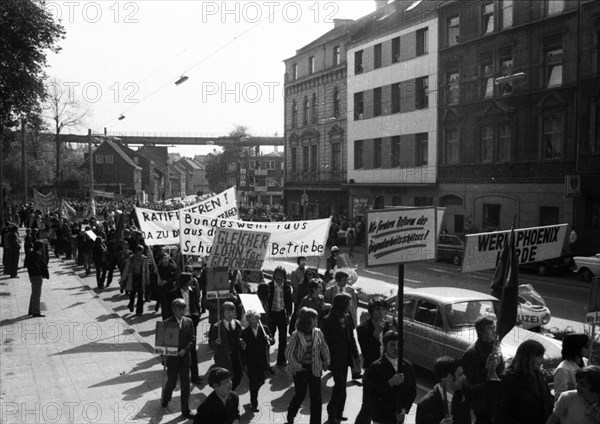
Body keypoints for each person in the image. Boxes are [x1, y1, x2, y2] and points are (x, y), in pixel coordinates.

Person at [416, 356, 500, 424]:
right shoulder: (426, 404)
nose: (465, 377)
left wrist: (490, 369)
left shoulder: (464, 391)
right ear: (449, 378)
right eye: (460, 375)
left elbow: (485, 389)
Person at [285, 307, 330, 424]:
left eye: (316, 319)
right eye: (313, 319)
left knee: (316, 398)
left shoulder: (318, 332)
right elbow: (289, 353)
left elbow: (324, 347)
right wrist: (296, 366)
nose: (316, 321)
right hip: (301, 369)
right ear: (306, 321)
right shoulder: (296, 334)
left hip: (315, 368)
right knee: (300, 395)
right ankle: (291, 415)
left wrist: (326, 361)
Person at [355, 297, 395, 424]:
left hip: (387, 370)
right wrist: (377, 332)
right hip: (372, 371)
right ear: (371, 311)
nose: (382, 313)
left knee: (384, 407)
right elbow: (367, 353)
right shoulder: (363, 328)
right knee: (368, 406)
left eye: (384, 309)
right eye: (378, 309)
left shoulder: (388, 326)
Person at [363, 330, 417, 424]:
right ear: (385, 346)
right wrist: (390, 383)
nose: (396, 348)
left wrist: (404, 409)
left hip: (398, 418)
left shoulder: (408, 366)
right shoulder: (375, 367)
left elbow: (412, 391)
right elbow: (370, 394)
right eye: (392, 345)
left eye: (398, 345)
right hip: (381, 418)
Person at [494, 339, 553, 424]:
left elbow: (547, 403)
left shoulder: (539, 376)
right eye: (540, 357)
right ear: (529, 358)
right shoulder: (508, 379)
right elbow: (500, 413)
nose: (542, 360)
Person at [322, 293, 359, 424]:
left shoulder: (348, 317)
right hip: (335, 359)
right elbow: (324, 342)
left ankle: (339, 413)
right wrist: (325, 360)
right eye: (349, 303)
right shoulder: (327, 320)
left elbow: (351, 338)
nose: (351, 305)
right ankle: (331, 411)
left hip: (346, 357)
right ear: (342, 304)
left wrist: (355, 354)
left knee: (342, 387)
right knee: (341, 386)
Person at [461, 314, 504, 424]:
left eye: (495, 327)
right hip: (482, 401)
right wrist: (488, 369)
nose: (494, 331)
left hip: (495, 398)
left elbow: (500, 371)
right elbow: (471, 380)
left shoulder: (495, 346)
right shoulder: (472, 353)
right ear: (481, 332)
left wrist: (499, 364)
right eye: (490, 328)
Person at [160, 299, 196, 419]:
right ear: (173, 310)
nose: (182, 312)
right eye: (179, 309)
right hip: (172, 360)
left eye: (183, 309)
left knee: (186, 384)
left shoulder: (189, 321)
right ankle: (166, 396)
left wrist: (186, 350)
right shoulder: (167, 323)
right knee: (171, 382)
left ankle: (185, 410)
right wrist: (163, 356)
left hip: (185, 358)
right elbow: (162, 343)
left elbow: (192, 338)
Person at [166, 272, 202, 384]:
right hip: (178, 322)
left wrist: (197, 315)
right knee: (179, 348)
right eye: (190, 278)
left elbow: (196, 304)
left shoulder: (193, 290)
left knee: (192, 347)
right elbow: (167, 309)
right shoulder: (173, 293)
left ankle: (195, 375)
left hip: (190, 322)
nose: (193, 280)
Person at [241, 309, 275, 412]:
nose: (253, 321)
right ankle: (253, 403)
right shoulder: (245, 332)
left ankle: (254, 393)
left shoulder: (264, 329)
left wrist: (269, 338)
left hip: (262, 360)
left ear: (258, 319)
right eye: (250, 319)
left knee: (261, 380)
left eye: (254, 319)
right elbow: (242, 348)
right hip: (251, 361)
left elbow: (272, 341)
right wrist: (243, 346)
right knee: (253, 383)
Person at [209, 301, 244, 390]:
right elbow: (211, 344)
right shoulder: (217, 327)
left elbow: (240, 337)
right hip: (224, 358)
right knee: (227, 378)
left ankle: (230, 392)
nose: (230, 314)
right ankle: (227, 395)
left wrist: (241, 342)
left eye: (232, 312)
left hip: (236, 356)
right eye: (227, 312)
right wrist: (216, 343)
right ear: (222, 313)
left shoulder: (238, 323)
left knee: (238, 376)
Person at [268, 266, 293, 366]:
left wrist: (289, 315)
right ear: (274, 275)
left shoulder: (286, 287)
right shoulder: (269, 286)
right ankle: (266, 360)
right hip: (271, 314)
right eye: (277, 275)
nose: (278, 277)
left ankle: (281, 359)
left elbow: (289, 302)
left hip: (282, 314)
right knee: (269, 337)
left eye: (281, 275)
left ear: (284, 277)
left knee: (283, 338)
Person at [554, 333, 590, 401]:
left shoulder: (586, 362)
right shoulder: (563, 369)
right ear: (576, 348)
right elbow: (559, 397)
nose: (588, 348)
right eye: (585, 346)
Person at [121, 245, 150, 316]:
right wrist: (123, 279)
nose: (140, 253)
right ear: (136, 251)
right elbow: (126, 270)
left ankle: (139, 311)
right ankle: (131, 304)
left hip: (141, 278)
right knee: (132, 294)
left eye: (141, 251)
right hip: (133, 278)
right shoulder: (131, 258)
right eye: (139, 251)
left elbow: (146, 270)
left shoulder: (144, 259)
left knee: (140, 295)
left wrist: (147, 280)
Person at [25, 240, 49, 317]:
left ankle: (31, 310)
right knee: (36, 295)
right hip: (36, 276)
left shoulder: (30, 253)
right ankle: (36, 312)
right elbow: (42, 265)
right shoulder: (38, 254)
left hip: (31, 275)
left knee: (34, 294)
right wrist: (42, 273)